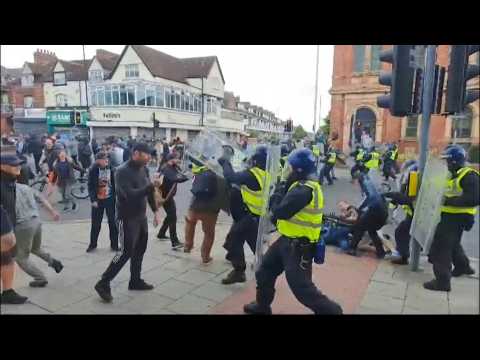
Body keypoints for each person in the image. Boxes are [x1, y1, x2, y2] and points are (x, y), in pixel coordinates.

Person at [243, 148, 343, 315]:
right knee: (265, 271)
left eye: (290, 167)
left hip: (299, 247)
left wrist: (278, 189)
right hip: (286, 241)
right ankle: (262, 307)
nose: (286, 170)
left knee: (302, 289)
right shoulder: (300, 185)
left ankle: (332, 311)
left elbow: (278, 213)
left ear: (299, 170)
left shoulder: (303, 190)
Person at [94, 142, 163, 303]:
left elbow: (148, 191)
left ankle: (135, 281)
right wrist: (151, 186)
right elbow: (128, 195)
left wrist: (155, 211)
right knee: (125, 252)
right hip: (126, 218)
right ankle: (103, 283)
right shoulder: (121, 172)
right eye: (147, 154)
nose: (150, 158)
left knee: (140, 249)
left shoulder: (144, 169)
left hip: (141, 217)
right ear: (136, 153)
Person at [424, 145, 479, 292]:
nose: (446, 163)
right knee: (453, 243)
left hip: (458, 217)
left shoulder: (469, 175)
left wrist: (448, 201)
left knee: (442, 247)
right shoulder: (452, 174)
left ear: (454, 161)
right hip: (450, 216)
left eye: (447, 160)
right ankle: (463, 266)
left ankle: (442, 282)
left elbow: (474, 198)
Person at [218, 145, 268, 285]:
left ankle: (240, 272)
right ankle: (263, 269)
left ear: (256, 161)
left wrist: (225, 161)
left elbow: (231, 177)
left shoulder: (253, 174)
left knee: (233, 242)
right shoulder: (263, 173)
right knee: (251, 245)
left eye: (253, 158)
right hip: (250, 217)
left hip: (248, 217)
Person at [14, 180, 63, 287]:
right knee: (35, 248)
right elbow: (42, 198)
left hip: (22, 225)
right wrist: (53, 212)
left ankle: (40, 277)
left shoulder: (5, 190)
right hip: (36, 221)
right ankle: (54, 262)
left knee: (21, 257)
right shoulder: (25, 187)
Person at [184, 160, 226, 264]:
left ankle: (187, 245)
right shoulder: (222, 178)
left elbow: (194, 189)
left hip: (195, 206)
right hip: (211, 210)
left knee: (190, 224)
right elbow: (223, 197)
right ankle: (205, 256)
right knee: (209, 233)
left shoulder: (200, 172)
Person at [0, 150, 28, 304]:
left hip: (8, 229)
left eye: (18, 163)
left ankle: (7, 292)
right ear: (2, 166)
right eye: (14, 164)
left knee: (7, 260)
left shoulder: (10, 180)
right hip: (2, 232)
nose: (18, 167)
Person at [345, 173, 389, 259]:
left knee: (359, 227)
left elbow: (368, 198)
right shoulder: (368, 182)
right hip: (382, 211)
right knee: (371, 230)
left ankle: (352, 249)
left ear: (357, 180)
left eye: (354, 182)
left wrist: (358, 208)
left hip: (376, 211)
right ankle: (381, 253)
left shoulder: (365, 184)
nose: (355, 185)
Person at [383, 161, 418, 265]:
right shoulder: (412, 179)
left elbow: (407, 198)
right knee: (403, 231)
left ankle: (403, 257)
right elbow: (402, 194)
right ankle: (463, 264)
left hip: (416, 214)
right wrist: (393, 201)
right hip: (413, 214)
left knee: (401, 231)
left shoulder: (413, 178)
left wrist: (391, 195)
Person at [87, 151, 118, 252]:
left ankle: (114, 245)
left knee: (113, 222)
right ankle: (93, 244)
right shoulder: (93, 170)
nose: (106, 161)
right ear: (98, 161)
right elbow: (90, 186)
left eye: (107, 159)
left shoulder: (112, 169)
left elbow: (116, 184)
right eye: (104, 159)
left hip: (110, 199)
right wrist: (93, 200)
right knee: (96, 223)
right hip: (98, 200)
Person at [156, 153, 188, 249]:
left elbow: (179, 174)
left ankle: (161, 234)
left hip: (167, 196)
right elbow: (177, 178)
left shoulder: (171, 167)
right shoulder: (167, 169)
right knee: (172, 216)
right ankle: (175, 242)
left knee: (170, 215)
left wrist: (182, 170)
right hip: (164, 196)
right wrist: (187, 176)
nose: (179, 160)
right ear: (171, 159)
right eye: (177, 159)